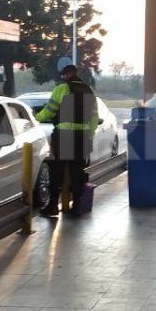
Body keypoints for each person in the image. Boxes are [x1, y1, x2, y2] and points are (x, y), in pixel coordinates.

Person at [35, 58, 99, 216]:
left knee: (57, 172)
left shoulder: (61, 89)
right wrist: (89, 136)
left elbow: (49, 111)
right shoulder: (88, 91)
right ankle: (77, 207)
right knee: (77, 173)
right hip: (82, 137)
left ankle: (52, 207)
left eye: (63, 75)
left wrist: (37, 117)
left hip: (64, 137)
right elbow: (94, 118)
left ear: (66, 74)